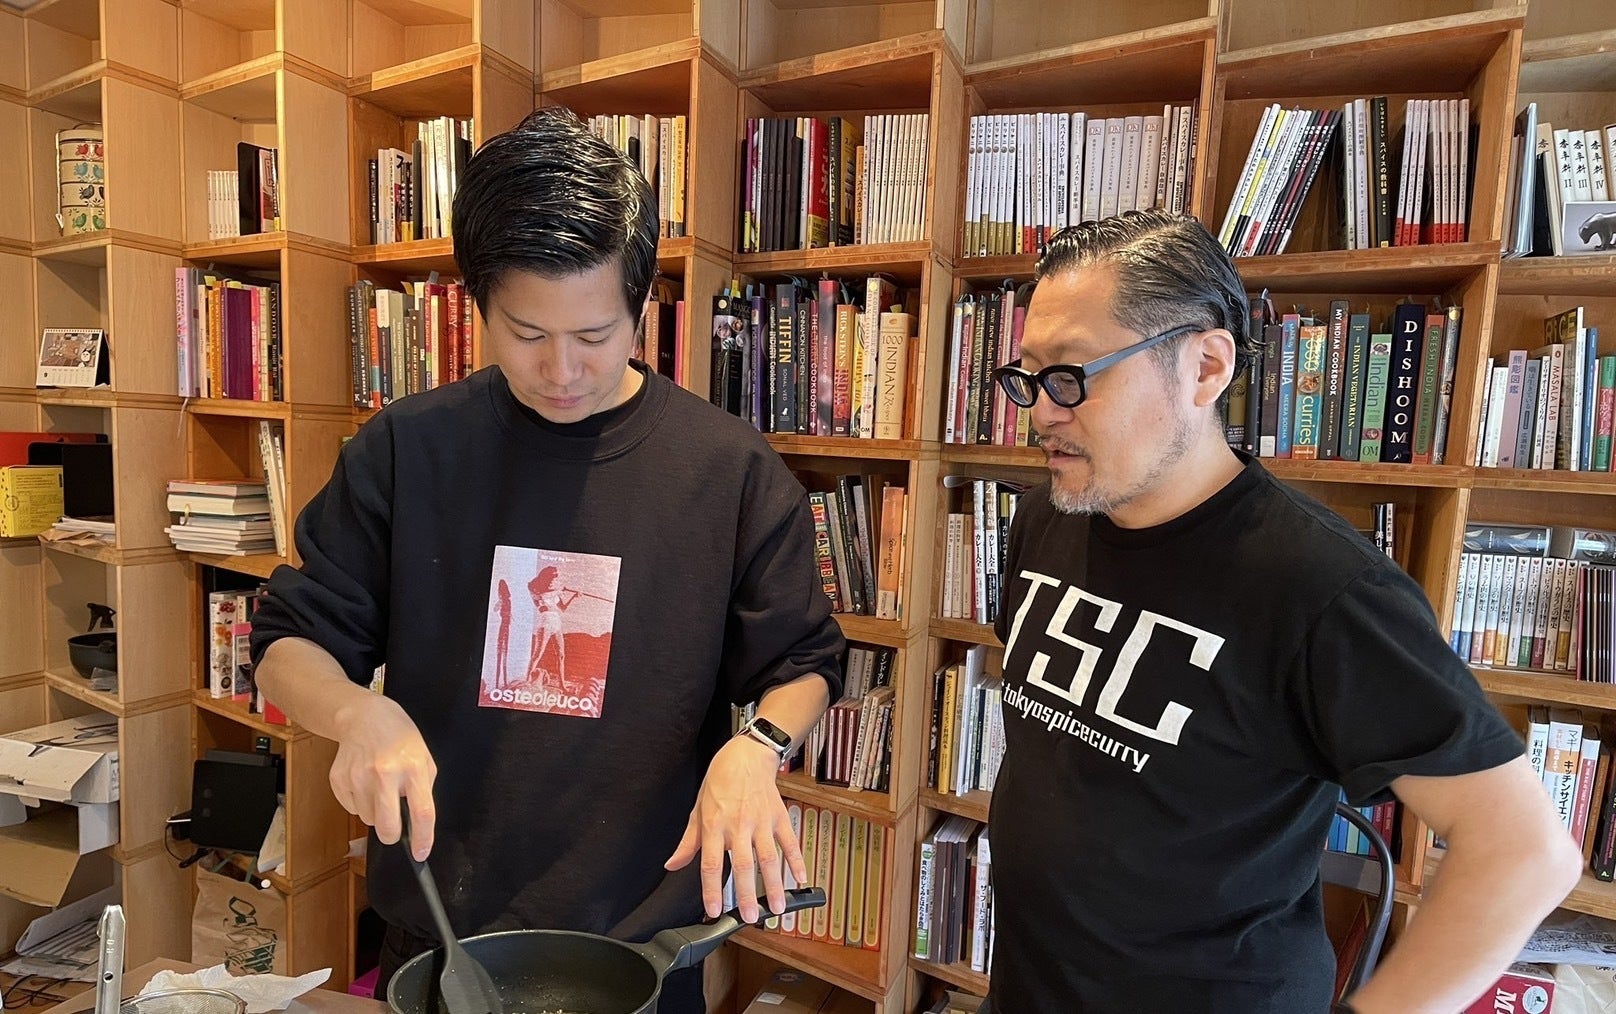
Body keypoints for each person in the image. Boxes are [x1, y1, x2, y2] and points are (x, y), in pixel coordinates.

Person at [248, 107, 843, 1012]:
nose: (563, 371)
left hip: (640, 945)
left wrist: (756, 750)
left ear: (643, 308)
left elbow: (804, 660)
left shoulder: (727, 470)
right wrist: (354, 713)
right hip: (445, 930)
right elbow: (288, 641)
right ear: (478, 305)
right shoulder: (409, 449)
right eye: (527, 335)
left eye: (595, 335)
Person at [985, 208, 1582, 1013]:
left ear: (1204, 367)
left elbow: (1524, 851)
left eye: (1069, 375)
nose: (1041, 412)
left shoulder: (1321, 587)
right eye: (1027, 377)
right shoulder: (1047, 517)